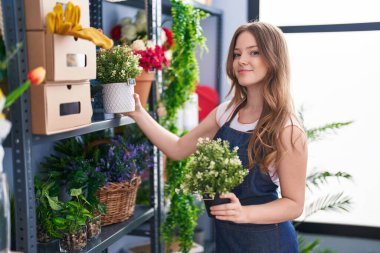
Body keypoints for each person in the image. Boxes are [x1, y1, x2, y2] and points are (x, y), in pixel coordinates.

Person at [125, 21, 307, 253]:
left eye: (254, 52)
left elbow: (294, 204)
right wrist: (138, 113)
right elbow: (178, 148)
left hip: (269, 243)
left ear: (274, 60)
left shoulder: (287, 128)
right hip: (227, 239)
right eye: (237, 53)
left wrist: (244, 213)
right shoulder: (227, 113)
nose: (242, 60)